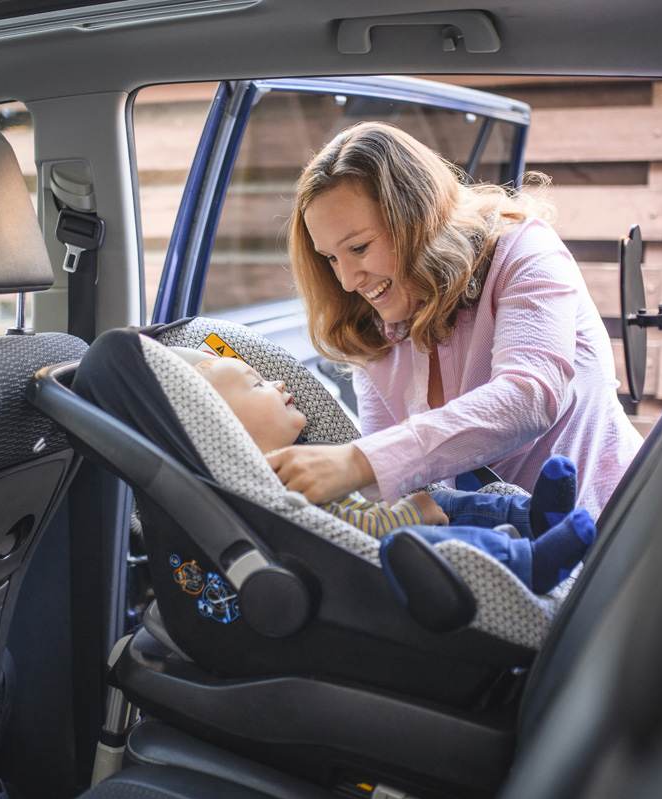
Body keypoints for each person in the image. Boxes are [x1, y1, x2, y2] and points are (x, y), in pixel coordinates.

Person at [267, 122, 642, 520]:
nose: (346, 280)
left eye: (359, 247)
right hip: (497, 558)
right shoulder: (374, 327)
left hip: (613, 534)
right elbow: (396, 483)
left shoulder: (527, 253)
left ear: (418, 220)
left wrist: (358, 462)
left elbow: (529, 397)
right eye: (331, 258)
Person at [195, 354, 595, 594]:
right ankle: (528, 563)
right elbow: (344, 534)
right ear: (228, 425)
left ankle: (528, 517)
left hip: (387, 520)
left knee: (442, 500)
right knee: (428, 536)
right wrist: (409, 514)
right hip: (379, 556)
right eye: (258, 384)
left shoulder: (295, 459)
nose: (278, 381)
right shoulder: (269, 481)